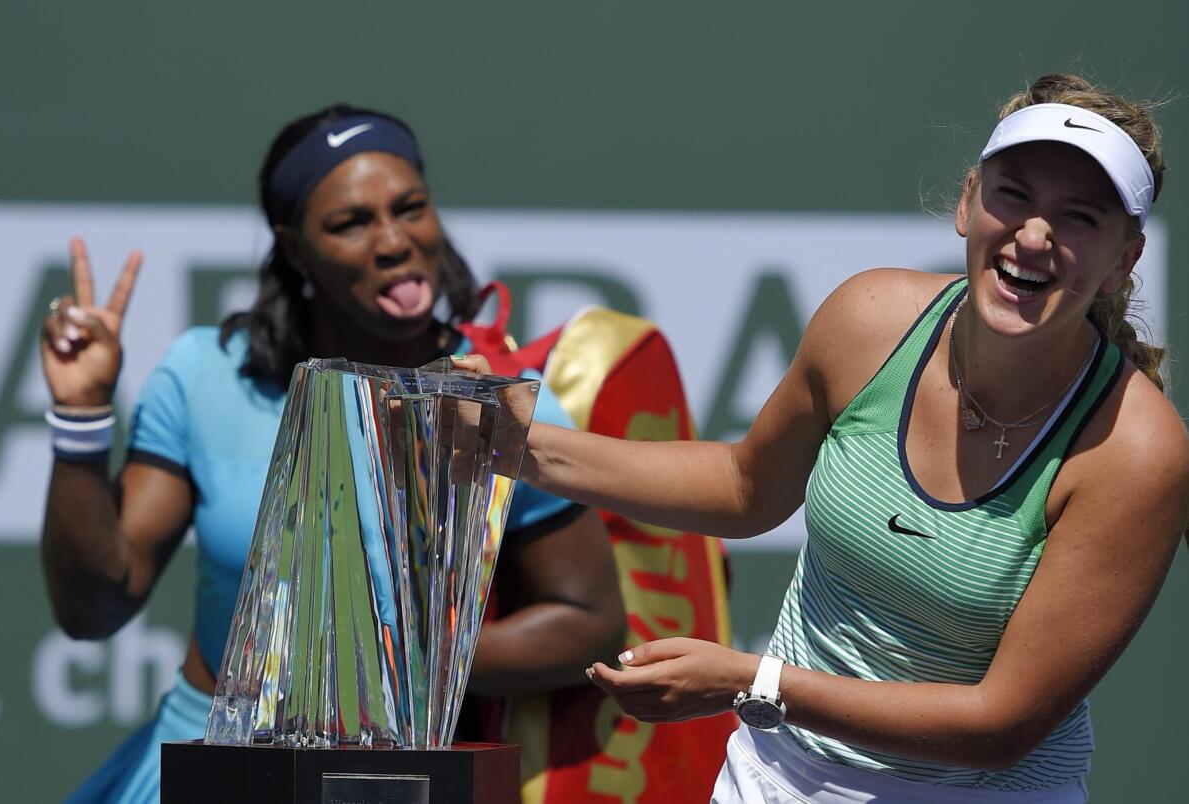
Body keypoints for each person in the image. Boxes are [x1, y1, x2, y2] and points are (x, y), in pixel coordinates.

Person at [458, 74, 1189, 802]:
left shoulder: (1135, 452)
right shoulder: (868, 318)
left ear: (1124, 260)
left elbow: (1002, 726)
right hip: (773, 777)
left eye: (1080, 217)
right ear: (969, 202)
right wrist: (517, 445)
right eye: (1015, 195)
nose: (1034, 235)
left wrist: (754, 681)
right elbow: (745, 487)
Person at [39, 105, 625, 802]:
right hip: (206, 765)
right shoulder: (202, 373)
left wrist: (378, 664)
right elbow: (94, 609)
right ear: (294, 249)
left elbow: (590, 623)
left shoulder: (497, 404)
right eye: (350, 222)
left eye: (410, 208)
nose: (392, 241)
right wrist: (81, 418)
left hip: (398, 779)